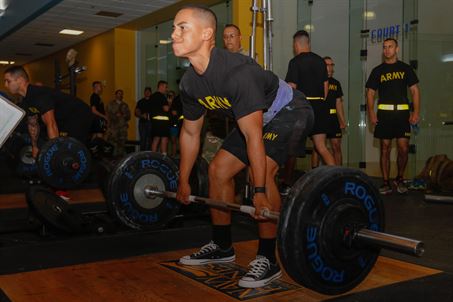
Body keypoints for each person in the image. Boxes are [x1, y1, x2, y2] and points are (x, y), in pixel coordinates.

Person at [172, 4, 313, 288]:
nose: (174, 34)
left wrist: (258, 192)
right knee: (217, 171)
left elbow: (253, 137)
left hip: (290, 112)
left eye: (182, 27)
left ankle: (268, 259)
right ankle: (223, 246)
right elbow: (190, 133)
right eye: (174, 28)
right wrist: (183, 180)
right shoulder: (189, 83)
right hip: (256, 119)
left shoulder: (238, 73)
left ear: (207, 33)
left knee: (259, 174)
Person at [3, 65, 93, 200]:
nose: (5, 85)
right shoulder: (27, 100)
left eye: (8, 81)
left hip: (79, 116)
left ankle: (62, 190)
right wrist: (34, 146)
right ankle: (55, 185)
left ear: (20, 80)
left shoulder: (39, 94)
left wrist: (55, 154)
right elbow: (33, 123)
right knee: (47, 144)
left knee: (63, 154)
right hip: (62, 120)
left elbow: (51, 123)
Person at [281, 30, 335, 196]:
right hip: (320, 106)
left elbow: (291, 88)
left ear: (296, 45)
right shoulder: (320, 61)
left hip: (303, 108)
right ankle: (337, 179)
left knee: (293, 147)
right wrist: (320, 103)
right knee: (321, 147)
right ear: (308, 44)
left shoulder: (295, 62)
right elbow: (326, 88)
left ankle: (287, 184)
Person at [366, 38, 420, 195]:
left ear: (397, 49)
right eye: (384, 47)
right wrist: (371, 112)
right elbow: (370, 93)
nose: (387, 50)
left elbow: (415, 90)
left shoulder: (406, 69)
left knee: (403, 148)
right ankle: (385, 182)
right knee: (385, 149)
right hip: (384, 115)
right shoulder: (377, 71)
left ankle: (400, 178)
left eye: (390, 47)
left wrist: (416, 112)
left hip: (402, 115)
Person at [312, 56, 346, 166]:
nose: (330, 67)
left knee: (336, 146)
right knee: (318, 147)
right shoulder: (317, 81)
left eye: (332, 65)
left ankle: (339, 173)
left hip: (333, 119)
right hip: (320, 118)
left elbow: (338, 103)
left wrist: (342, 120)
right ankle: (315, 174)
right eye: (327, 65)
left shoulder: (336, 83)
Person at [106, 89, 131, 158]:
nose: (120, 95)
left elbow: (129, 116)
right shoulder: (110, 104)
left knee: (122, 142)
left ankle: (121, 157)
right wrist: (115, 116)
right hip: (113, 127)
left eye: (121, 94)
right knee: (113, 142)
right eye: (119, 93)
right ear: (116, 95)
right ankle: (113, 157)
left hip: (122, 127)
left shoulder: (125, 105)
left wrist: (123, 115)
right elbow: (107, 115)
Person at [150, 80, 170, 154]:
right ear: (161, 86)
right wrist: (169, 103)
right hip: (162, 122)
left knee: (156, 139)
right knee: (164, 138)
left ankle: (153, 157)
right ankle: (164, 157)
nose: (167, 89)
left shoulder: (152, 96)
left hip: (154, 122)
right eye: (166, 87)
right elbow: (166, 109)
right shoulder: (162, 97)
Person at [135, 87, 153, 151]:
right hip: (142, 123)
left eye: (148, 91)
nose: (147, 92)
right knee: (143, 139)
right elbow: (136, 112)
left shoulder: (153, 101)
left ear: (151, 92)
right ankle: (142, 155)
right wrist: (142, 115)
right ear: (144, 92)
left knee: (150, 140)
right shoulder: (140, 101)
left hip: (151, 123)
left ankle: (149, 155)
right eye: (146, 91)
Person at [167, 90, 182, 157]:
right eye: (168, 95)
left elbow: (175, 113)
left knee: (174, 141)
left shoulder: (177, 103)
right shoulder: (165, 103)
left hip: (175, 124)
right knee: (167, 141)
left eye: (171, 95)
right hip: (166, 125)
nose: (170, 97)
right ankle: (169, 154)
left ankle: (174, 155)